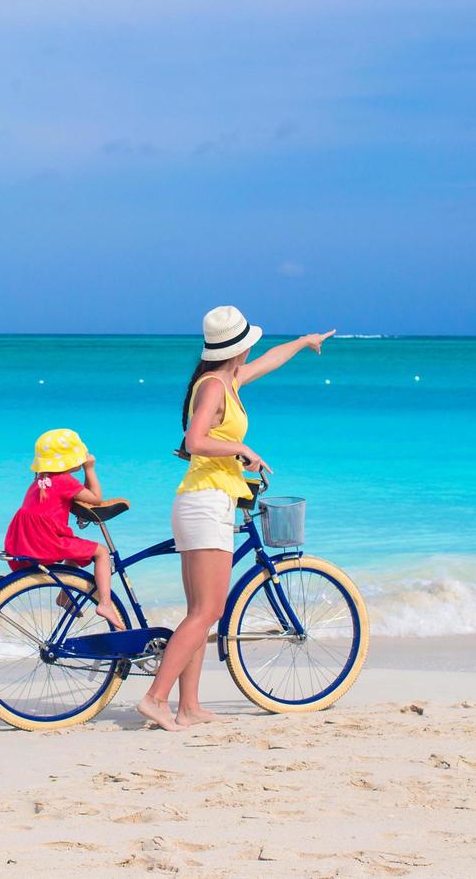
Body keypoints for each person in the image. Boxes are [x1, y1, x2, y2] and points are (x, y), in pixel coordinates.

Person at [136, 307, 335, 731]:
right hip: (205, 504)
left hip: (207, 499)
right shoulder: (213, 386)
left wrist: (303, 341)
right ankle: (156, 698)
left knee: (199, 611)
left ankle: (188, 705)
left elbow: (269, 362)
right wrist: (242, 451)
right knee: (208, 611)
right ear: (239, 346)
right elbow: (195, 440)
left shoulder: (228, 381)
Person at [3, 429, 124, 630]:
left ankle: (64, 595)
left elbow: (79, 495)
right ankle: (105, 603)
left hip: (27, 542)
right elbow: (95, 497)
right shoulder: (64, 481)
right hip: (46, 542)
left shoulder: (41, 480)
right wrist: (90, 469)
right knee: (102, 552)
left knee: (75, 549)